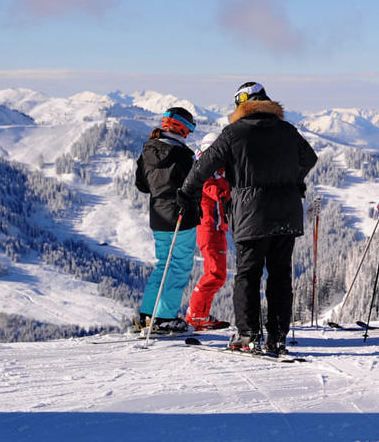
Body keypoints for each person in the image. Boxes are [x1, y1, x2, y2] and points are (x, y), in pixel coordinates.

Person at [179, 82, 317, 356]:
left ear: (241, 106)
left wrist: (187, 193)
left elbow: (204, 164)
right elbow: (310, 158)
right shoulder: (287, 130)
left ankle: (248, 334)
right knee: (280, 276)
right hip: (286, 214)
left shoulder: (234, 133)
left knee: (248, 275)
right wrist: (293, 180)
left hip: (250, 214)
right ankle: (277, 336)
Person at [134, 107, 200, 333]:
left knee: (164, 265)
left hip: (159, 216)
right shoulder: (183, 156)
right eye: (189, 128)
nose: (189, 134)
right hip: (182, 216)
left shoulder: (147, 151)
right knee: (179, 267)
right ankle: (164, 318)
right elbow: (194, 187)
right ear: (182, 128)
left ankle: (148, 315)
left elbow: (142, 185)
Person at [185, 132, 232, 331]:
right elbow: (219, 192)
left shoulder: (213, 169)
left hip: (215, 227)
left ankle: (200, 315)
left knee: (217, 274)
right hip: (209, 227)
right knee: (215, 273)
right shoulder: (205, 169)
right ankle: (196, 315)